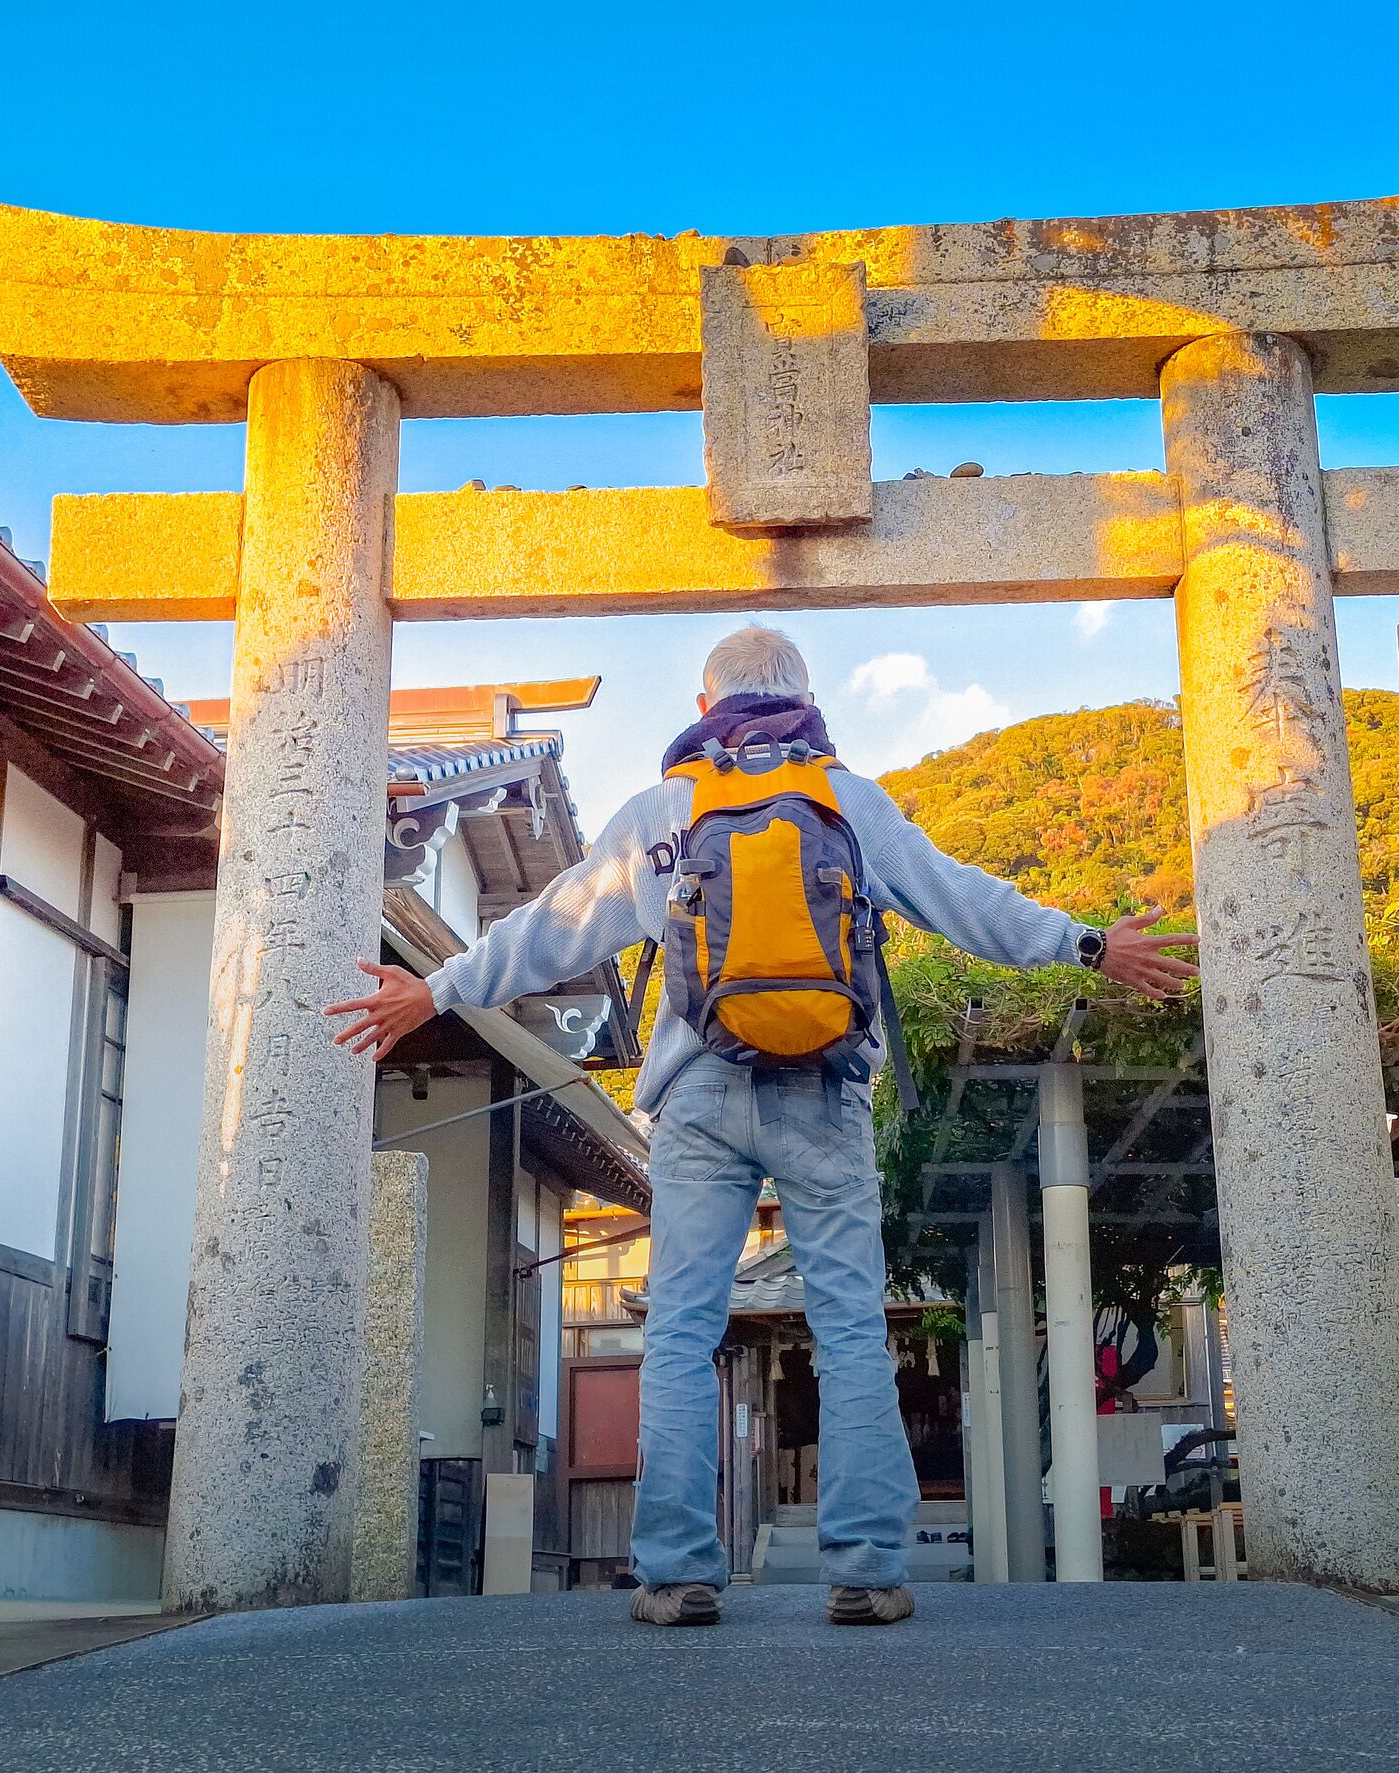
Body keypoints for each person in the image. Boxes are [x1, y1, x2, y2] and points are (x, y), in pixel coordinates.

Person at [327, 625, 1194, 1628]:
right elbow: (964, 900)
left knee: (684, 1333)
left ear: (706, 711)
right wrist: (1086, 945)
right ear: (807, 700)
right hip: (825, 1095)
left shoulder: (664, 810)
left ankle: (677, 1573)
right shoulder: (849, 802)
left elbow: (551, 924)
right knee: (854, 1334)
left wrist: (433, 989)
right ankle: (868, 1572)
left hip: (698, 1095)